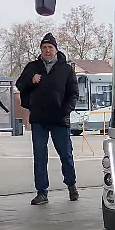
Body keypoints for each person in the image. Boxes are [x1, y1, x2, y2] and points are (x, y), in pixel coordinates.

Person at [15, 33, 80, 205]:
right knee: (39, 155)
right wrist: (31, 80)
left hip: (59, 118)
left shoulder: (66, 69)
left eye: (50, 47)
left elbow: (73, 93)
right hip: (39, 118)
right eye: (44, 48)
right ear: (40, 50)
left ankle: (71, 185)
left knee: (65, 154)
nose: (47, 50)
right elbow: (20, 85)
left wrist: (65, 111)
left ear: (56, 50)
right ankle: (42, 192)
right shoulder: (32, 67)